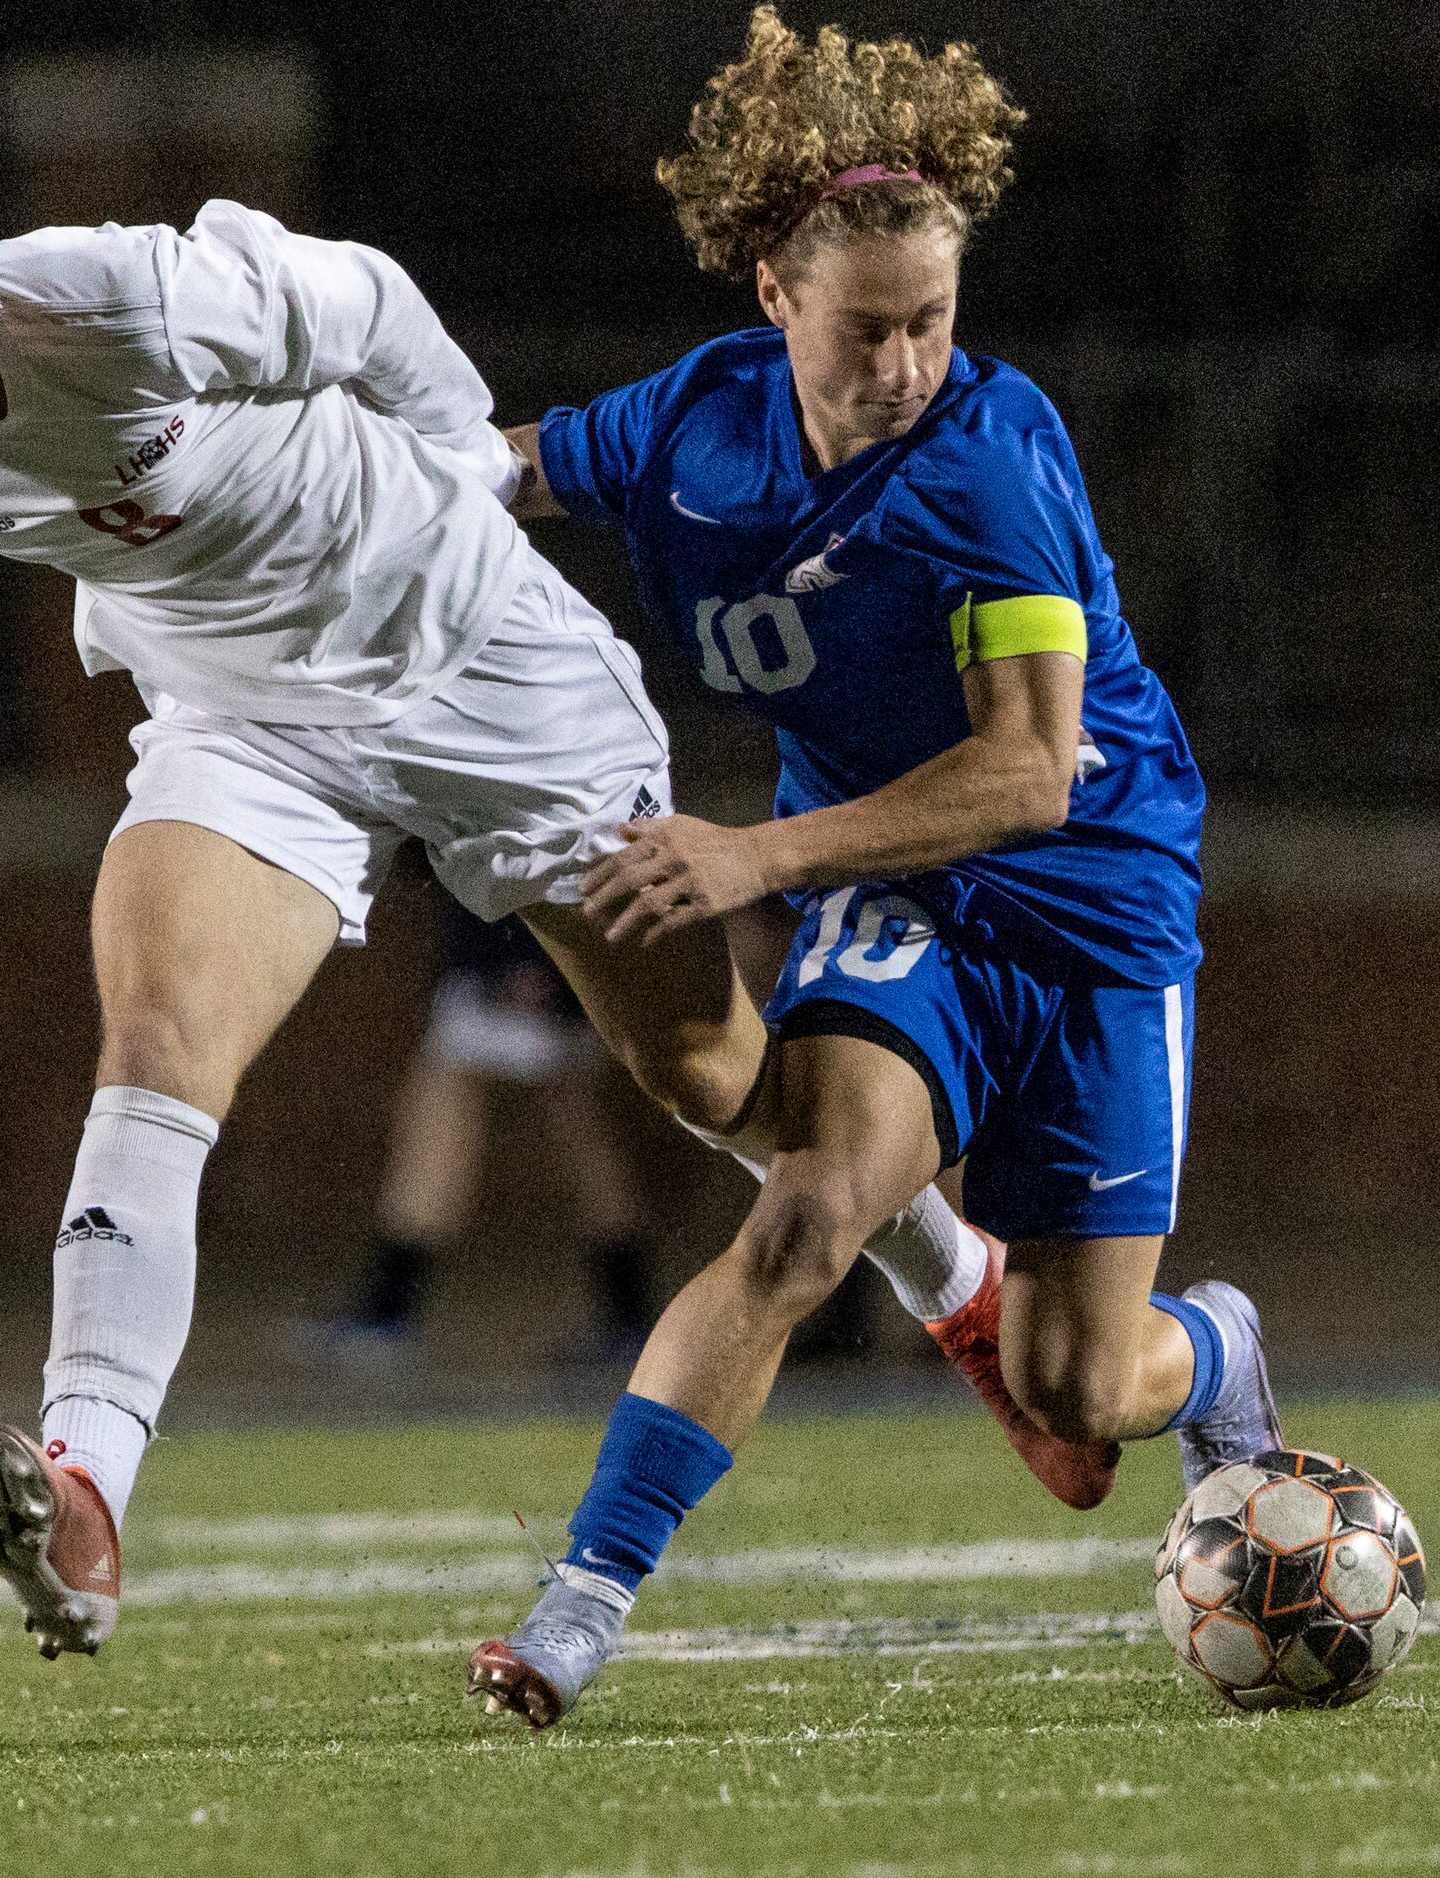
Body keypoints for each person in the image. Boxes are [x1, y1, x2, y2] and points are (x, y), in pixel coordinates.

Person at [0, 166, 1094, 1660]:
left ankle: (958, 1284)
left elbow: (370, 301)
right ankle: (84, 1487)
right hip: (251, 727)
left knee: (725, 1086)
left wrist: (445, 494)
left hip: (488, 678)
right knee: (156, 1043)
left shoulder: (110, 299)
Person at [469, 8, 1281, 1729]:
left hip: (1089, 897)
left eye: (930, 322)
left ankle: (1209, 1342)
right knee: (805, 1208)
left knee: (1076, 1386)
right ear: (772, 290)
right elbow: (503, 473)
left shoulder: (983, 465)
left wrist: (747, 852)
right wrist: (304, 490)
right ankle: (580, 1601)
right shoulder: (691, 424)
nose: (903, 362)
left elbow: (1025, 768)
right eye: (867, 329)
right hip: (903, 898)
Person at [316, 895, 659, 1357]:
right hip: (512, 974)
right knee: (560, 1134)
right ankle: (629, 1316)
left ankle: (387, 1311)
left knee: (559, 1134)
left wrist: (532, 966)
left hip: (532, 975)